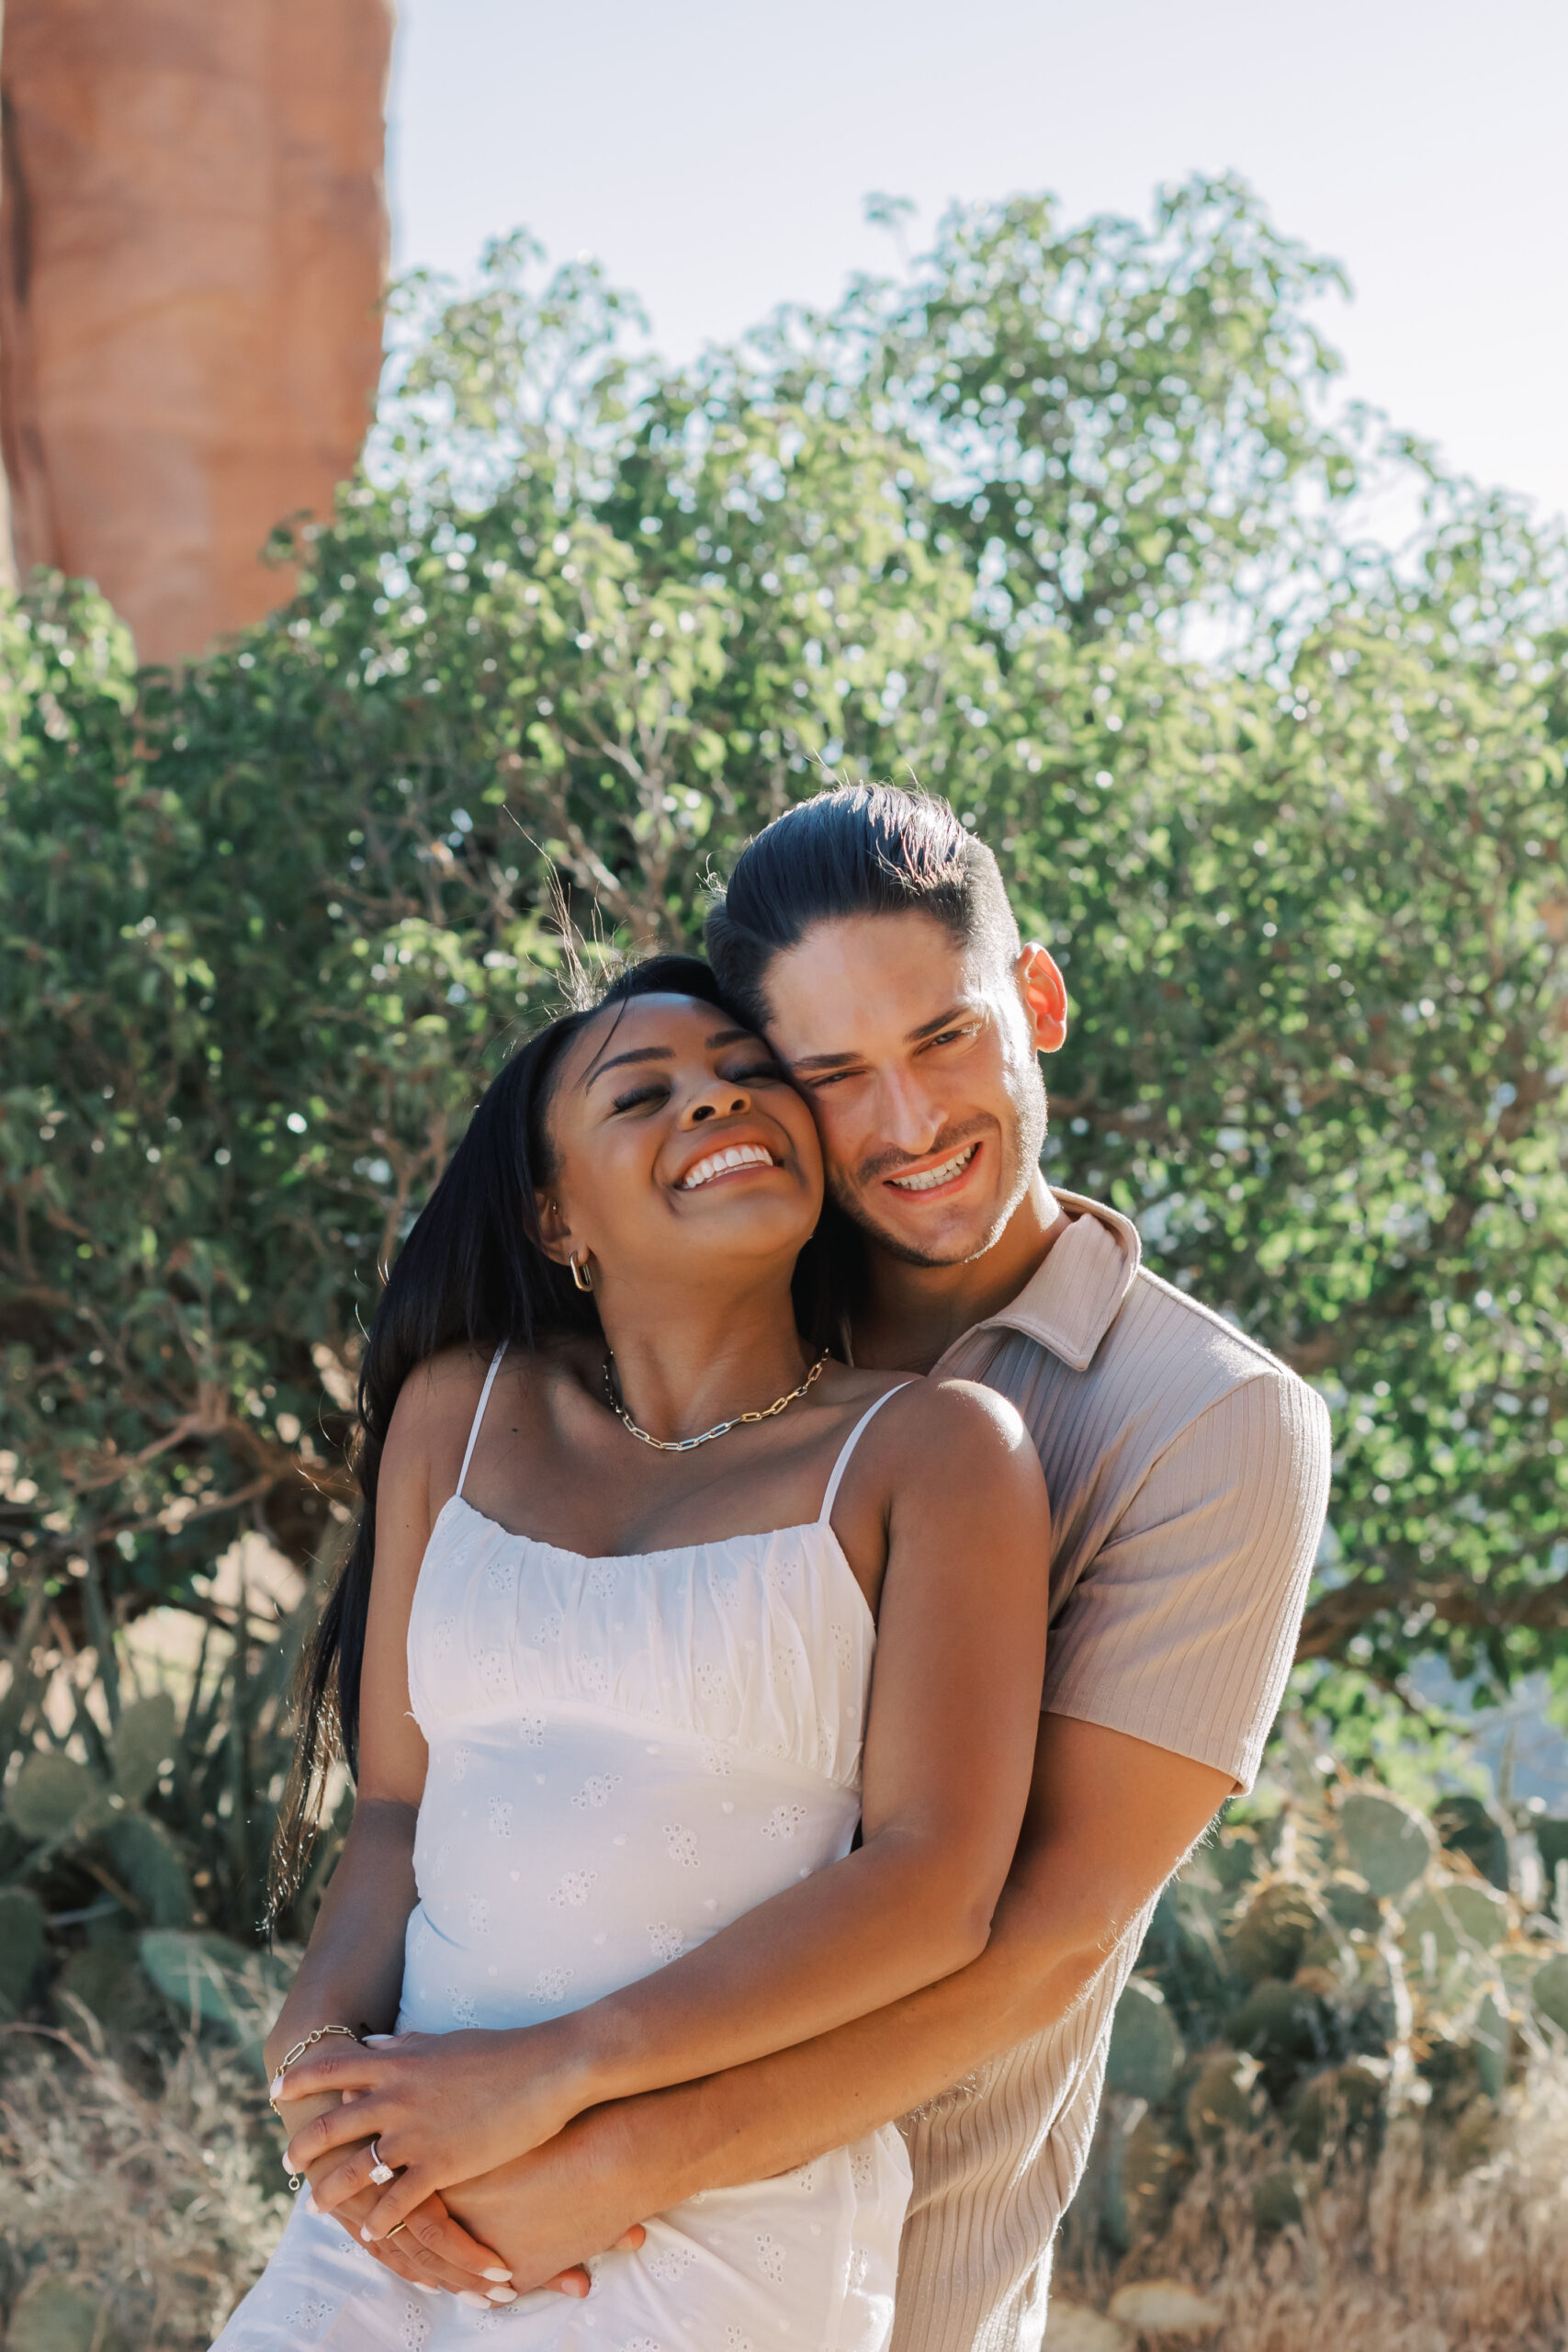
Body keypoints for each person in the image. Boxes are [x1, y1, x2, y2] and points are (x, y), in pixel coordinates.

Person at [332, 785, 1332, 2352]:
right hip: (470, 2193)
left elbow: (1040, 1939)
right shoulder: (715, 1292)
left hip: (892, 2262)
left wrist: (610, 2158)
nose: (912, 1125)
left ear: (1039, 1003)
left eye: (945, 1038)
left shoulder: (1207, 1423)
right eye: (832, 1074)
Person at [216, 952, 1051, 2349]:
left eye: (744, 1075)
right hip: (403, 2194)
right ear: (556, 1218)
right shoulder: (458, 1414)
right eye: (644, 1094)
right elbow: (395, 1813)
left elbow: (934, 1887)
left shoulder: (935, 1453)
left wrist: (552, 2081)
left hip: (698, 2214)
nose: (716, 1105)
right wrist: (318, 2081)